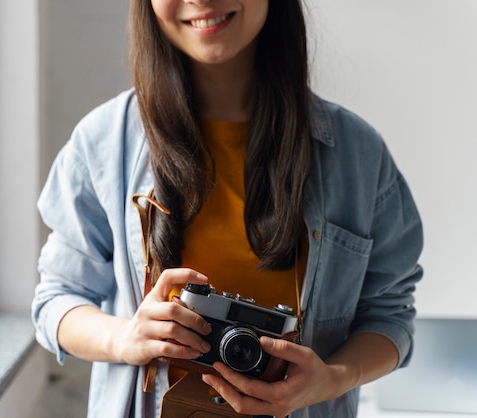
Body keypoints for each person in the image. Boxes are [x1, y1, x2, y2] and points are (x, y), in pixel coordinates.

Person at [31, 0, 424, 417]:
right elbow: (56, 300)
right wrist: (126, 338)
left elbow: (390, 315)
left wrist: (331, 379)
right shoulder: (102, 143)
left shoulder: (357, 154)